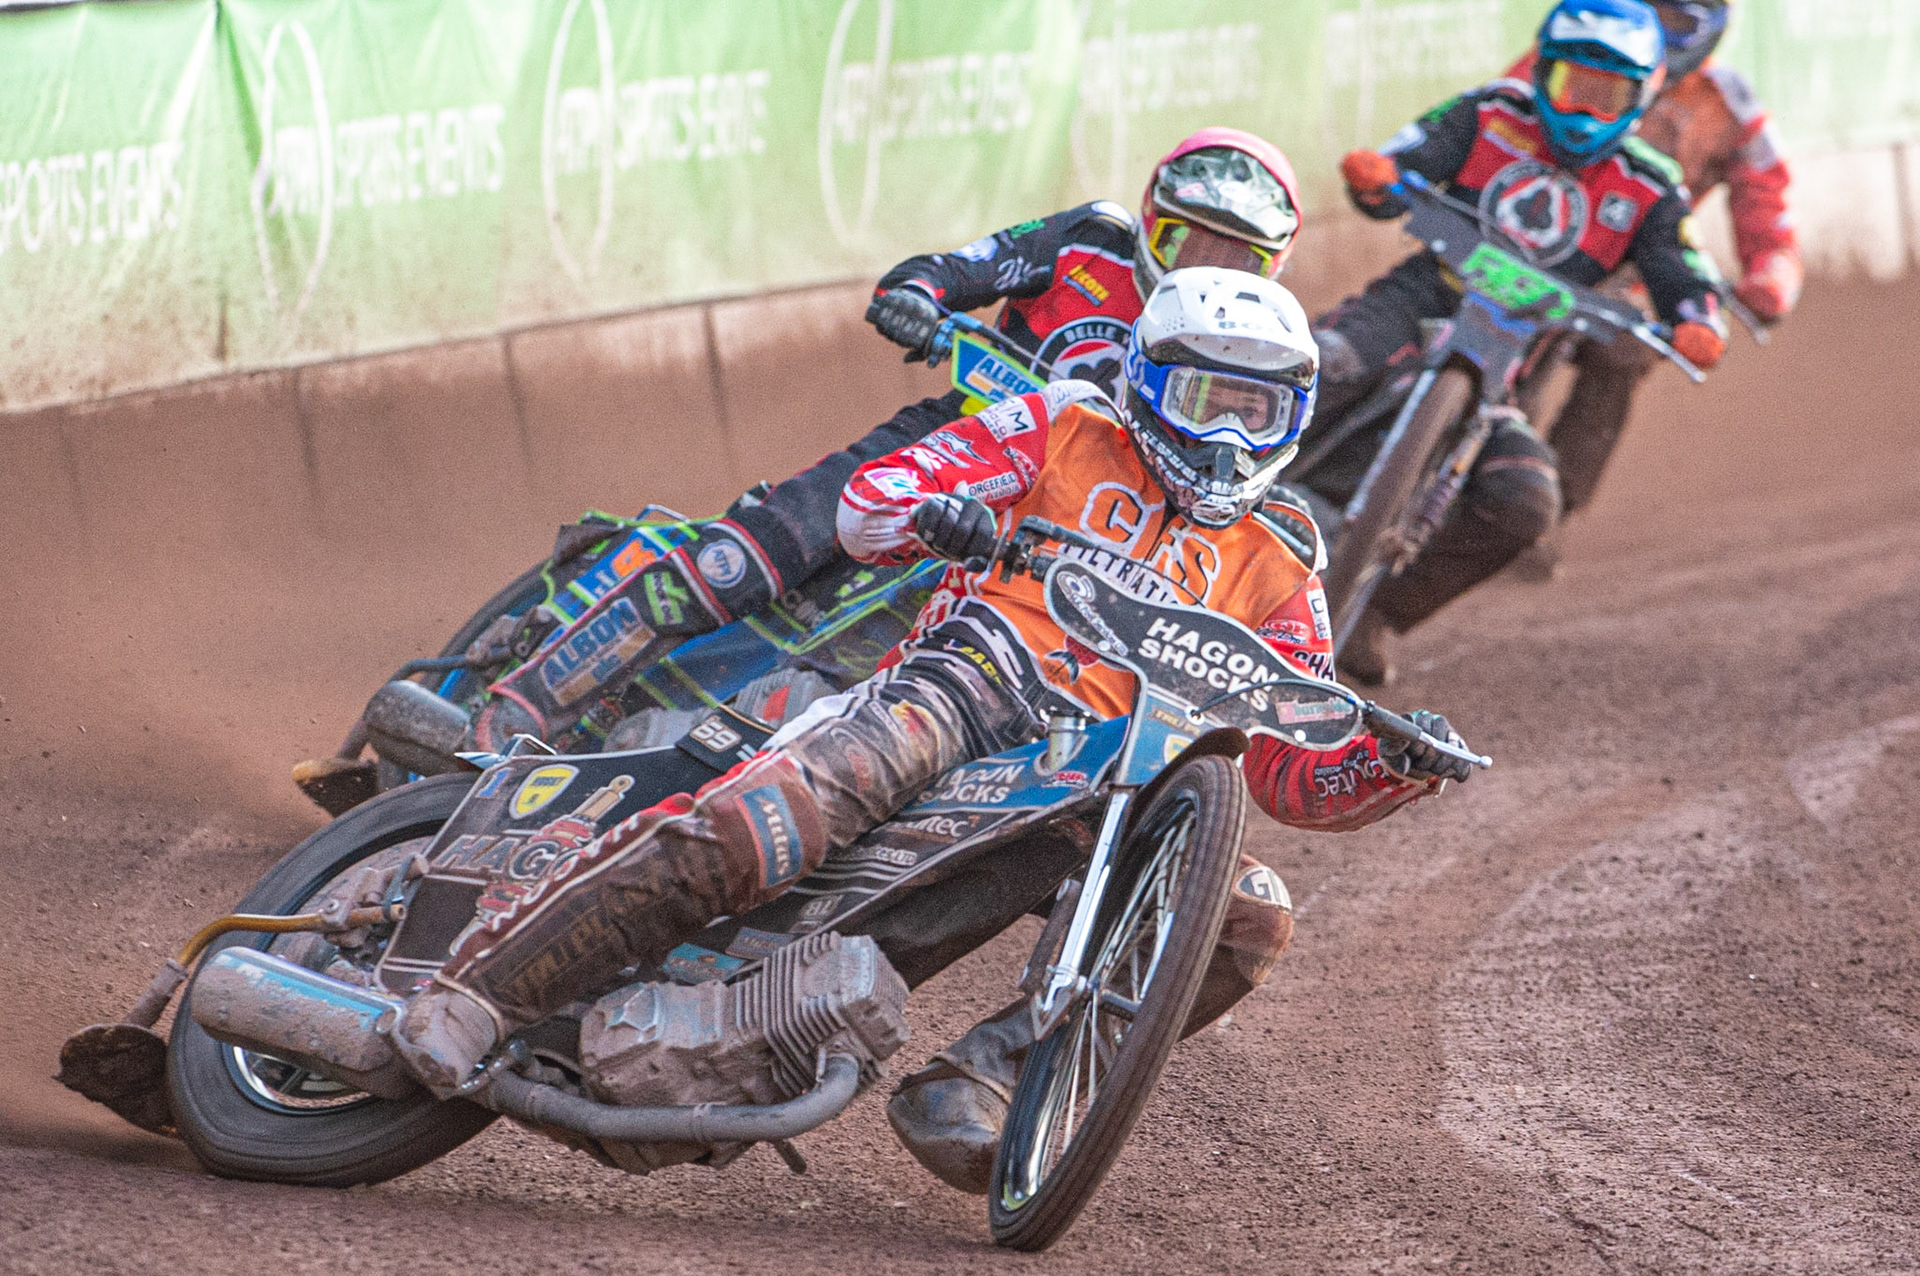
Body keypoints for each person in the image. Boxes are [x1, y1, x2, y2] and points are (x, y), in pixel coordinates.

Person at [390, 268, 1475, 1194]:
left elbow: (1291, 763)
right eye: (1206, 397)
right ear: (1149, 381)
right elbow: (876, 496)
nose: (1233, 435)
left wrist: (1390, 760)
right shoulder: (1064, 424)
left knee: (1243, 919)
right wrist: (938, 513)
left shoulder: (1283, 558)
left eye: (1261, 409)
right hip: (970, 686)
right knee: (771, 825)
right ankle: (482, 994)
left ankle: (988, 1078)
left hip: (1115, 785)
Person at [616, 129, 1303, 645]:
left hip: (1078, 507)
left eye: (1242, 257)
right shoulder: (1090, 239)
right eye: (1189, 241)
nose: (1212, 265)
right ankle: (539, 685)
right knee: (764, 547)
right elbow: (952, 269)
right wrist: (916, 297)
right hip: (953, 444)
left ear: (1276, 264)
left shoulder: (1257, 337)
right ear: (1153, 217)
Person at [1309, 0, 1728, 685]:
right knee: (1321, 364)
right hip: (1423, 294)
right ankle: (1208, 504)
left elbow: (1687, 271)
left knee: (1528, 502)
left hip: (1512, 353)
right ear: (1543, 73)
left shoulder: (1650, 185)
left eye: (1609, 94)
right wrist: (1378, 177)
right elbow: (1403, 161)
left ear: (1643, 95)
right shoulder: (1490, 113)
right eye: (1573, 87)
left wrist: (1698, 320)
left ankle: (1377, 616)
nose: (1585, 111)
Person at [1511, 0, 1798, 566]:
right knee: (1501, 322)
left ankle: (1547, 511)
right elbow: (1494, 116)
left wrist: (1771, 275)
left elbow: (1768, 199)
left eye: (1677, 15)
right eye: (1652, 8)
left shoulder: (1734, 107)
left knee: (1623, 355)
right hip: (1536, 236)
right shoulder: (1580, 44)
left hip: (1644, 269)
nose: (1662, 26)